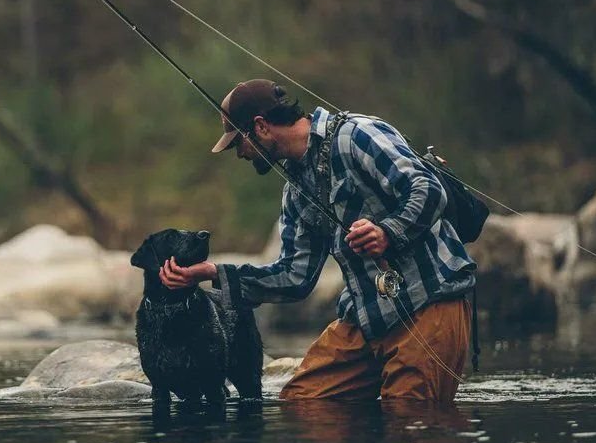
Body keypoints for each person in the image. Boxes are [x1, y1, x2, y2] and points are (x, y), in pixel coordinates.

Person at [160, 79, 476, 402]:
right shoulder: (294, 190)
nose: (238, 153)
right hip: (368, 319)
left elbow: (427, 189)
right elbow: (294, 277)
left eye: (238, 142)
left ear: (261, 127)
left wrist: (387, 232)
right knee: (302, 403)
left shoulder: (356, 135)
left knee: (409, 419)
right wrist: (213, 273)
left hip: (429, 303)